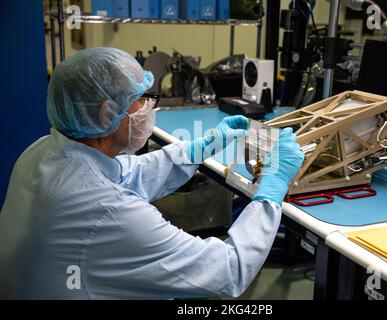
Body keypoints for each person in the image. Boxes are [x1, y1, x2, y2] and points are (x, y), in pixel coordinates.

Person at [0, 48, 304, 299]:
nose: (149, 107)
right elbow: (229, 269)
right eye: (142, 99)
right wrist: (271, 188)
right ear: (107, 113)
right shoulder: (107, 212)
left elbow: (130, 174)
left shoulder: (43, 152)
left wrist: (199, 148)